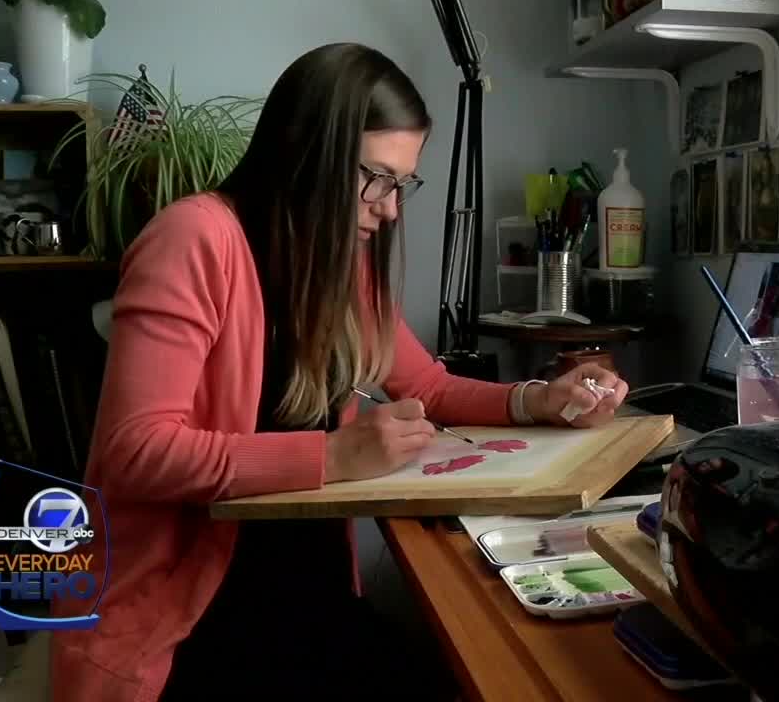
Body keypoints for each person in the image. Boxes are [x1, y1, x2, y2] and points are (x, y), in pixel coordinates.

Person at [48, 43, 628, 702]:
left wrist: (537, 401)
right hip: (193, 622)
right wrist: (332, 455)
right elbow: (134, 452)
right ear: (308, 152)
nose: (389, 209)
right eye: (377, 178)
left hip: (305, 600)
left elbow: (429, 387)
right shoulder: (193, 239)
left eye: (403, 183)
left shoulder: (337, 257)